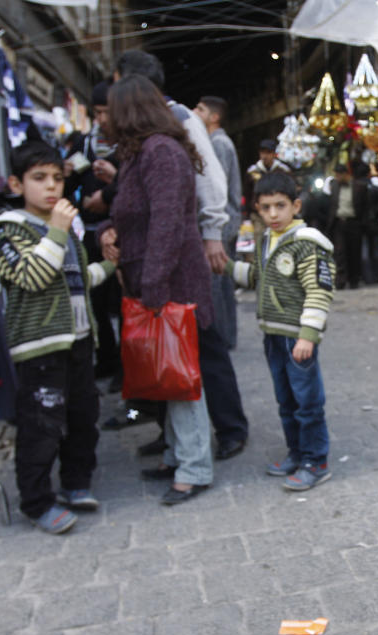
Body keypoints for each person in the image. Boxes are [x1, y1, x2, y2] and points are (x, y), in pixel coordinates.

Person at [105, 51, 249, 462]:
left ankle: (227, 428)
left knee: (202, 342)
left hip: (184, 260)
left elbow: (207, 183)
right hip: (161, 265)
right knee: (174, 351)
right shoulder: (143, 142)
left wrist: (211, 233)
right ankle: (178, 440)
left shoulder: (175, 126)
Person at [0, 141, 118, 533]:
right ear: (16, 183)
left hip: (78, 342)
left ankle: (76, 483)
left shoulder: (66, 231)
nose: (51, 187)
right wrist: (58, 231)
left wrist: (110, 267)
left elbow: (78, 281)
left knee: (83, 416)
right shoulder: (8, 230)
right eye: (39, 178)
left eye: (58, 178)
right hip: (40, 346)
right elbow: (32, 275)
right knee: (42, 425)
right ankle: (36, 501)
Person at [101, 74, 215, 505]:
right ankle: (176, 455)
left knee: (181, 377)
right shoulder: (139, 153)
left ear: (128, 110)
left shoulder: (161, 152)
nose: (105, 118)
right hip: (153, 280)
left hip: (171, 281)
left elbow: (168, 225)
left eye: (111, 109)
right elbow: (133, 216)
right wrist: (108, 234)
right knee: (166, 375)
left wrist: (152, 286)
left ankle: (195, 468)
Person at [226, 172, 336, 491]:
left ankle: (316, 462)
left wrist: (308, 335)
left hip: (297, 338)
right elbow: (257, 278)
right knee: (285, 400)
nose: (273, 214)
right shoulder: (266, 241)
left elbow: (319, 291)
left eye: (280, 206)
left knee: (307, 402)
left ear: (295, 206)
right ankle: (297, 452)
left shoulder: (307, 244)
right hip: (272, 335)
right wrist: (225, 266)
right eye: (265, 208)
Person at [63, 79, 122, 385]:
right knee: (96, 302)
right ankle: (108, 358)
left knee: (124, 302)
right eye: (97, 112)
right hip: (89, 233)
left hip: (118, 235)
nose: (101, 119)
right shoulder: (84, 145)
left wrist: (110, 189)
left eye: (106, 111)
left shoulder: (127, 146)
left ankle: (127, 367)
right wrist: (67, 175)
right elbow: (67, 186)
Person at [194, 95, 242, 350]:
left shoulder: (218, 144)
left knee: (217, 283)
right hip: (226, 221)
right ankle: (226, 337)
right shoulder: (216, 142)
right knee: (222, 282)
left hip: (222, 223)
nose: (194, 112)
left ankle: (220, 338)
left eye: (200, 109)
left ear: (214, 117)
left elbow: (216, 187)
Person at [326, 162, 370, 289]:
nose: (338, 178)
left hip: (354, 223)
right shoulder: (334, 186)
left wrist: (363, 223)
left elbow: (365, 207)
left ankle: (354, 279)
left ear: (346, 174)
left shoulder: (359, 187)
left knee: (354, 252)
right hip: (339, 222)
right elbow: (332, 205)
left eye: (339, 175)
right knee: (340, 252)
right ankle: (340, 280)